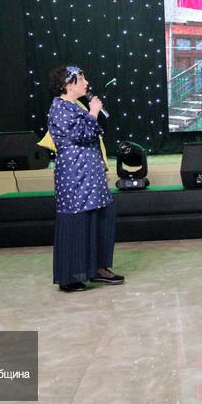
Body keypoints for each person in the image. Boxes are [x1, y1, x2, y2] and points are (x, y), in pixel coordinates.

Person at [47, 65, 123, 292]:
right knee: (77, 220)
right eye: (81, 79)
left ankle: (98, 267)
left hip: (90, 175)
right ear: (68, 85)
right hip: (75, 176)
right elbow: (82, 134)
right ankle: (70, 276)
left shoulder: (75, 106)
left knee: (101, 216)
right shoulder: (59, 108)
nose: (86, 83)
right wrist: (94, 112)